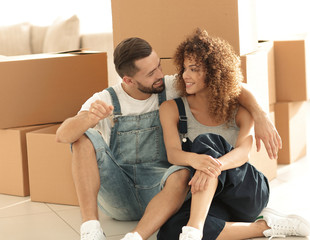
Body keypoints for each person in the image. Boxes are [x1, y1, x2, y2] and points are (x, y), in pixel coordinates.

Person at [55, 35, 282, 240]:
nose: (160, 75)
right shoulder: (106, 99)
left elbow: (228, 83)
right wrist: (88, 119)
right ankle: (91, 229)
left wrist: (261, 116)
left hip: (162, 192)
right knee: (83, 137)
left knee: (183, 171)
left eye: (159, 66)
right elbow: (63, 135)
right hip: (120, 195)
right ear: (128, 80)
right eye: (151, 73)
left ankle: (136, 237)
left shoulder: (170, 85)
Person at [152, 29, 310, 240]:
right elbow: (173, 154)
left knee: (207, 142)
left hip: (247, 191)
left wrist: (212, 166)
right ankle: (266, 227)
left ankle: (194, 228)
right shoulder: (171, 109)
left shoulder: (240, 111)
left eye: (194, 69)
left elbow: (243, 154)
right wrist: (198, 161)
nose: (185, 75)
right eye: (184, 68)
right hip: (209, 197)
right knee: (170, 232)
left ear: (214, 71)